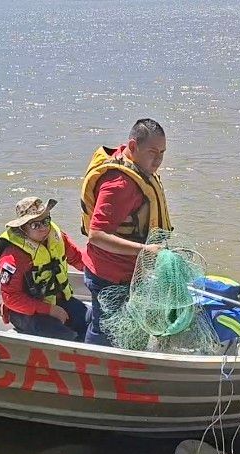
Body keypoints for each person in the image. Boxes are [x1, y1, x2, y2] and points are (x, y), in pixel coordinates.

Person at [79, 119, 173, 345]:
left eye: (162, 153)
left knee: (114, 324)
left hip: (130, 273)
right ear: (132, 146)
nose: (158, 160)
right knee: (105, 332)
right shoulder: (119, 185)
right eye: (152, 152)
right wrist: (144, 250)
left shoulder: (139, 169)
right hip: (108, 276)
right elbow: (96, 235)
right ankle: (92, 361)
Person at [0, 197, 88, 341]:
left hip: (57, 301)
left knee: (93, 322)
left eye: (46, 221)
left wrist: (101, 271)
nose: (44, 228)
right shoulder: (13, 256)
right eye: (35, 225)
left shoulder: (57, 237)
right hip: (24, 312)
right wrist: (50, 310)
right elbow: (11, 297)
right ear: (22, 228)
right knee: (67, 338)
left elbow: (77, 259)